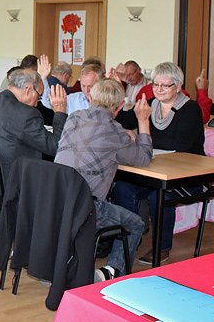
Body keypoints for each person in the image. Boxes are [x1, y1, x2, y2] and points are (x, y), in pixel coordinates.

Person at [0, 68, 67, 251]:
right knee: (45, 182)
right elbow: (55, 146)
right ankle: (3, 236)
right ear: (28, 89)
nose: (37, 103)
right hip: (5, 189)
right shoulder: (26, 114)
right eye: (39, 96)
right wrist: (60, 113)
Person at [54, 79, 151, 280]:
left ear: (90, 97)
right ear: (120, 106)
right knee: (136, 224)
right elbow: (143, 158)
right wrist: (143, 122)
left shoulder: (73, 118)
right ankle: (112, 271)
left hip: (55, 200)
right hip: (85, 208)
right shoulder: (114, 130)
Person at [111, 62, 205, 264]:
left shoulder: (190, 109)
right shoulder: (150, 103)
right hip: (154, 170)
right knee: (122, 187)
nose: (159, 89)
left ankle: (162, 247)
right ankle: (129, 240)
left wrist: (141, 134)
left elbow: (180, 145)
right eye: (155, 84)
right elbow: (125, 119)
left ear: (178, 86)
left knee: (159, 194)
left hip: (187, 175)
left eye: (165, 85)